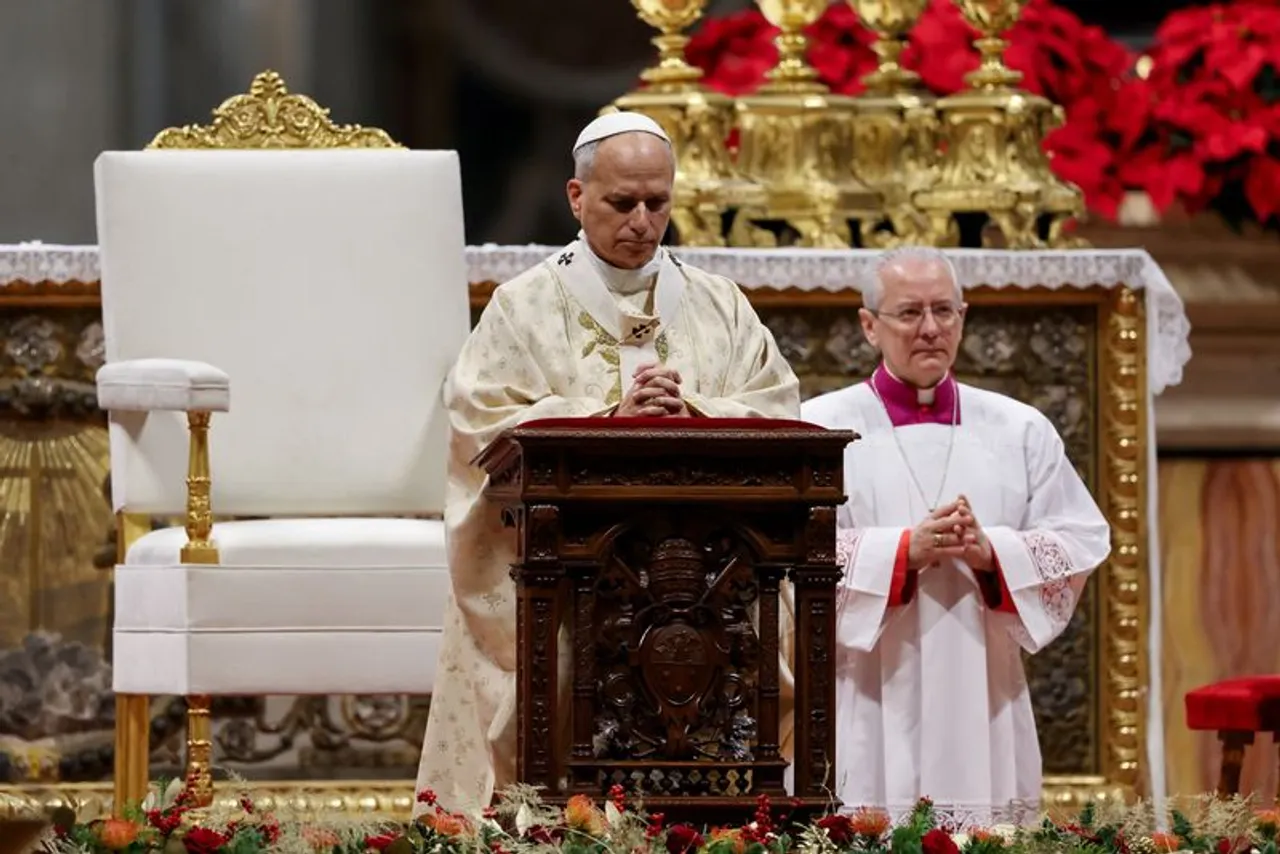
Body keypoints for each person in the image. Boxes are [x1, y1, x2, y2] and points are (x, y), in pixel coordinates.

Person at [415, 112, 801, 813]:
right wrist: (607, 418)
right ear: (576, 197)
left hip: (710, 567)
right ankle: (552, 815)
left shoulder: (721, 304)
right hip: (563, 572)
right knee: (557, 663)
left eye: (659, 203)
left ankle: (716, 816)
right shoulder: (523, 306)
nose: (643, 222)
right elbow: (480, 424)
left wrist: (697, 415)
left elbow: (779, 407)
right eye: (623, 203)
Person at [800, 246, 1111, 828]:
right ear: (870, 325)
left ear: (963, 318)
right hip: (866, 688)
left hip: (983, 686)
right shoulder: (819, 428)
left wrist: (993, 552)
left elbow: (1081, 537)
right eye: (909, 312)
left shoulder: (1019, 428)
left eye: (944, 311)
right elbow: (787, 557)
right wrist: (900, 554)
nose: (929, 329)